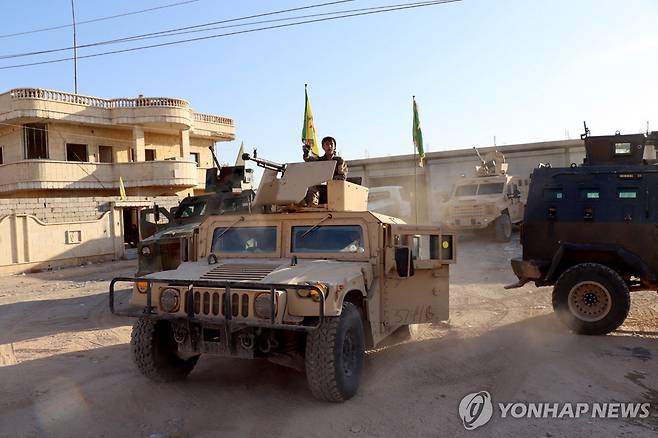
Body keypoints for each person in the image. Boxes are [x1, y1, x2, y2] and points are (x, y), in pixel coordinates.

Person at [302, 136, 348, 206]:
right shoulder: (320, 160)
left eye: (331, 144)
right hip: (321, 189)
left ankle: (313, 208)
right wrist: (306, 152)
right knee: (306, 189)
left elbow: (342, 176)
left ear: (334, 147)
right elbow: (308, 160)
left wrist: (327, 180)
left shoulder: (339, 161)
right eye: (326, 144)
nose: (329, 146)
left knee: (312, 190)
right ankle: (310, 208)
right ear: (323, 147)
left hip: (334, 189)